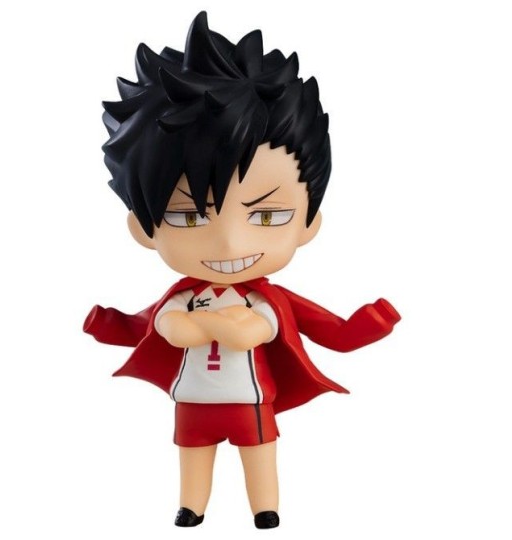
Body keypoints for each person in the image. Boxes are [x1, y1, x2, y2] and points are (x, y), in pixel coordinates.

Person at [83, 11, 401, 529]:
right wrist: (105, 322)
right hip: (193, 402)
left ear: (309, 222)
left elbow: (297, 331)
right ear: (143, 229)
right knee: (192, 455)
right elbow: (152, 326)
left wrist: (373, 322)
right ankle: (192, 506)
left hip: (252, 401)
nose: (230, 242)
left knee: (259, 454)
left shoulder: (261, 303)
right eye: (189, 217)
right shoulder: (180, 299)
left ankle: (265, 508)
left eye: (267, 215)